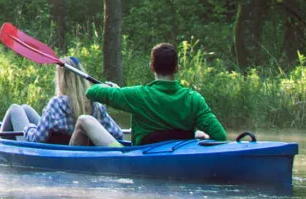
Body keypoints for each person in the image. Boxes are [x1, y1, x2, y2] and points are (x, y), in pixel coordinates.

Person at [85, 43, 227, 146]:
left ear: (151, 67)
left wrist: (113, 90)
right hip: (179, 155)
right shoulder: (194, 99)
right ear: (177, 68)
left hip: (144, 156)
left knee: (84, 120)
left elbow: (91, 92)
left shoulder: (138, 95)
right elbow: (220, 136)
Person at [1, 57, 124, 146]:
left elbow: (36, 139)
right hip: (67, 146)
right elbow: (117, 135)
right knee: (25, 108)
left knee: (15, 109)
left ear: (61, 79)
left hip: (44, 155)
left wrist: (28, 128)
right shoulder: (96, 105)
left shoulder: (56, 104)